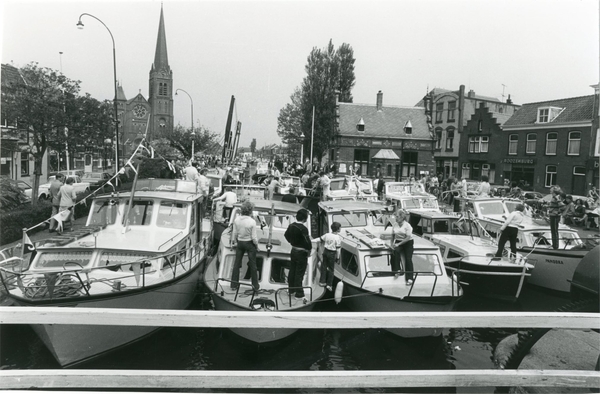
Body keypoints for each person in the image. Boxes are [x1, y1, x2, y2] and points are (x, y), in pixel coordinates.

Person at [230, 201, 260, 292]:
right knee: (253, 265)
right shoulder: (252, 222)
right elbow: (254, 237)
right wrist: (257, 246)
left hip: (240, 243)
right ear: (250, 210)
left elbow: (234, 233)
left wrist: (234, 241)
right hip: (249, 244)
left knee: (236, 264)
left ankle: (234, 285)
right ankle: (255, 286)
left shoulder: (237, 220)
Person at [284, 209, 313, 299]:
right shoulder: (303, 229)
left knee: (292, 270)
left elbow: (286, 235)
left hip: (293, 250)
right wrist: (309, 248)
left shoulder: (291, 226)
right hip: (301, 252)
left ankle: (291, 290)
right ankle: (299, 293)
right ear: (305, 218)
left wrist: (291, 242)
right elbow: (307, 242)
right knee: (299, 273)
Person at [315, 221, 341, 291]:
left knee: (324, 266)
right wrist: (338, 258)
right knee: (331, 269)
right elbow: (338, 249)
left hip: (325, 251)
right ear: (338, 229)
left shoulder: (327, 235)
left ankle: (322, 282)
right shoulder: (337, 238)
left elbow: (319, 239)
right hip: (332, 253)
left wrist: (311, 240)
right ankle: (329, 285)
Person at [390, 209, 414, 285]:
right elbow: (393, 235)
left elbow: (408, 237)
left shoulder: (407, 226)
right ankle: (397, 270)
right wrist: (391, 244)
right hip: (398, 241)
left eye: (397, 216)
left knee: (408, 258)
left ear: (401, 217)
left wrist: (398, 244)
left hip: (407, 242)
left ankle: (410, 278)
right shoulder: (395, 224)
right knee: (394, 252)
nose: (395, 218)